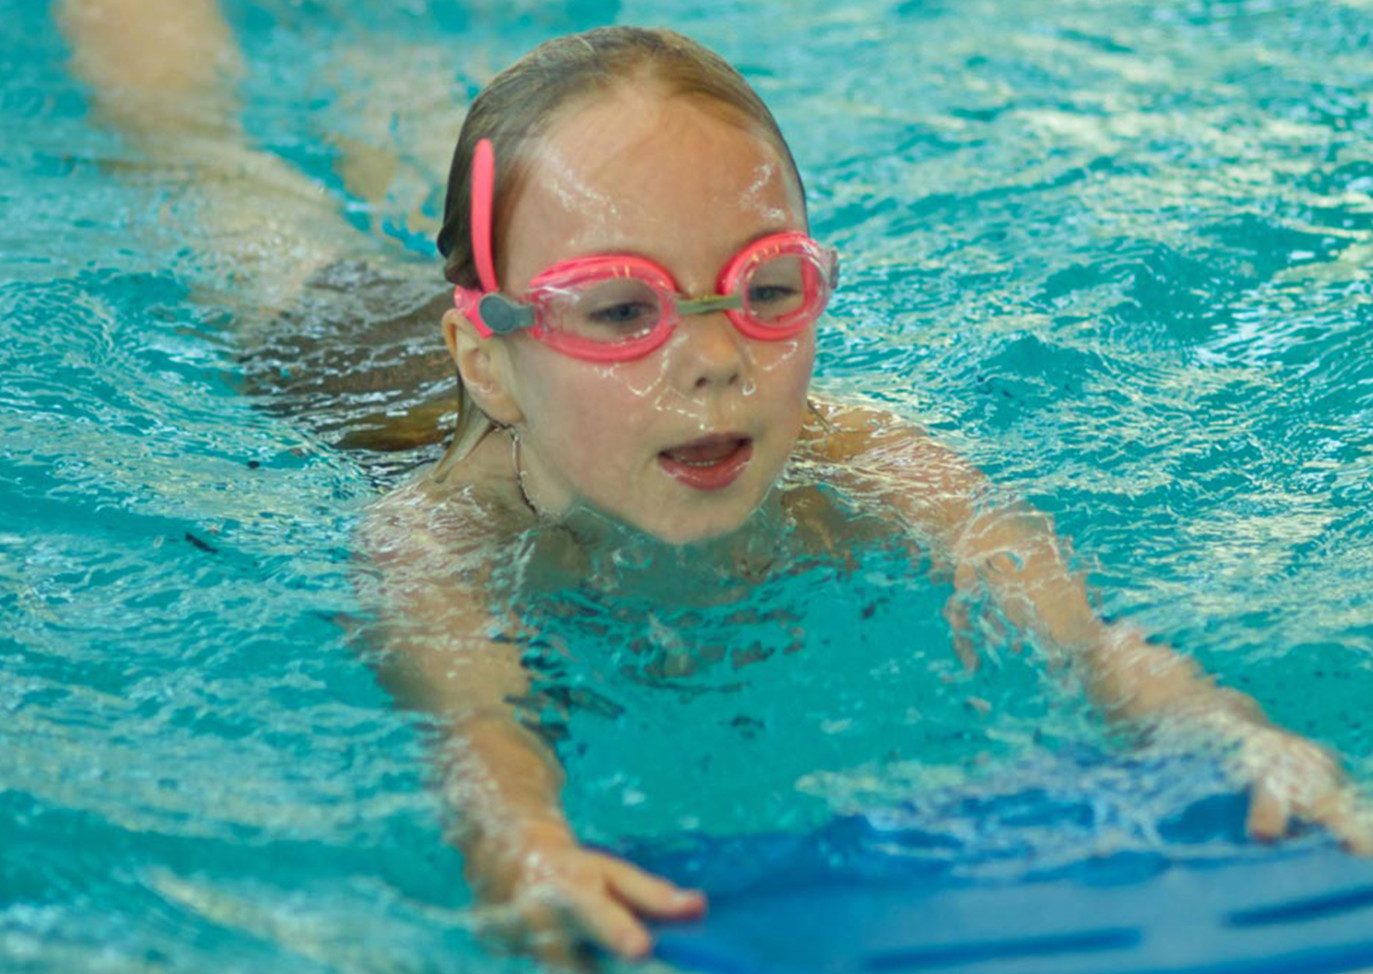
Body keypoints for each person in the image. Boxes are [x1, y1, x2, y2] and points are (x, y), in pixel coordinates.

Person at [58, 2, 1370, 965]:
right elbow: (481, 754)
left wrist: (1235, 732)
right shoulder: (436, 535)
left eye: (765, 290)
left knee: (440, 160)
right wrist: (526, 851)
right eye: (622, 307)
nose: (710, 364)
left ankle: (373, 40)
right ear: (494, 359)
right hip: (344, 347)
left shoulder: (865, 458)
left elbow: (1104, 653)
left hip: (510, 297)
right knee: (202, 157)